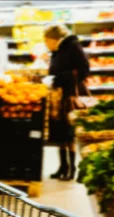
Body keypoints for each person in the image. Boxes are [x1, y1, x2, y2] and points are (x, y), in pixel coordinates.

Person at [44, 24, 90, 181]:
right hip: (59, 96)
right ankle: (62, 166)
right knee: (60, 133)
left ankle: (71, 169)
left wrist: (60, 78)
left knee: (68, 134)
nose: (45, 44)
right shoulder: (57, 50)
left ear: (52, 39)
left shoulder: (72, 46)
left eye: (46, 41)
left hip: (69, 96)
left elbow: (84, 69)